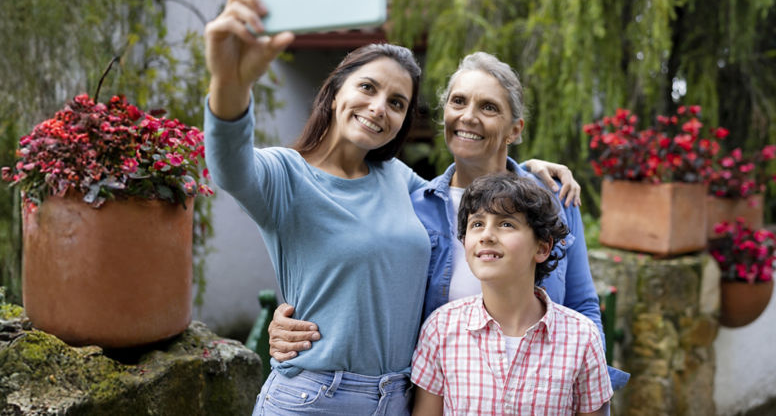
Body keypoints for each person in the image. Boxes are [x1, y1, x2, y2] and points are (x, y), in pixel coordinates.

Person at [203, 0, 581, 413]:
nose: (379, 107)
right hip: (316, 397)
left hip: (398, 399)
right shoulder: (286, 176)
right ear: (334, 90)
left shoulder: (400, 181)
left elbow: (471, 192)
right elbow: (229, 165)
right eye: (367, 87)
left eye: (397, 102)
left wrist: (528, 174)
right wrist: (230, 83)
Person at [267, 52, 630, 394]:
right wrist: (293, 325)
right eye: (458, 102)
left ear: (515, 129)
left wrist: (585, 392)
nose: (468, 116)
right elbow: (365, 287)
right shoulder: (411, 209)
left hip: (540, 394)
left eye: (488, 107)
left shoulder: (553, 200)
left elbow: (582, 305)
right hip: (443, 397)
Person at [410, 173, 612, 415]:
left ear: (542, 247)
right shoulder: (440, 329)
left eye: (506, 224)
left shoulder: (581, 338)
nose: (486, 235)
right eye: (477, 224)